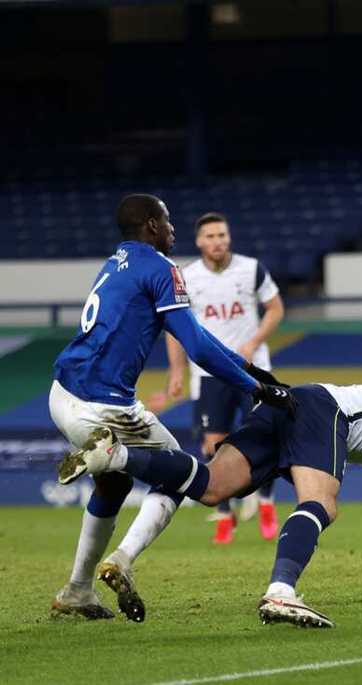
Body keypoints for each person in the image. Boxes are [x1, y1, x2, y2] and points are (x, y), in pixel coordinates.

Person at [57, 384, 362, 628]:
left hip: (290, 407)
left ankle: (114, 455)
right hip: (323, 410)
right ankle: (281, 591)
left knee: (211, 488)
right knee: (323, 502)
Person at [49, 194, 295, 623]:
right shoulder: (163, 269)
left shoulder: (115, 263)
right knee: (184, 474)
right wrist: (255, 387)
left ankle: (77, 589)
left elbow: (197, 334)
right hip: (103, 407)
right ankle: (122, 552)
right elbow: (197, 344)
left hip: (63, 394)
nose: (173, 229)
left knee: (114, 487)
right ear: (150, 225)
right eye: (167, 221)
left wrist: (251, 369)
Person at [160, 212, 285, 544]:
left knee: (264, 435)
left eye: (222, 235)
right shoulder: (186, 278)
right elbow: (174, 328)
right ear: (199, 241)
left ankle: (267, 504)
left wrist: (254, 342)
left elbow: (275, 308)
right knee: (213, 443)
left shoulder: (251, 269)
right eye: (210, 236)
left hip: (251, 367)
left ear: (229, 237)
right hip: (210, 372)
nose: (217, 241)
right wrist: (176, 371)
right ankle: (226, 512)